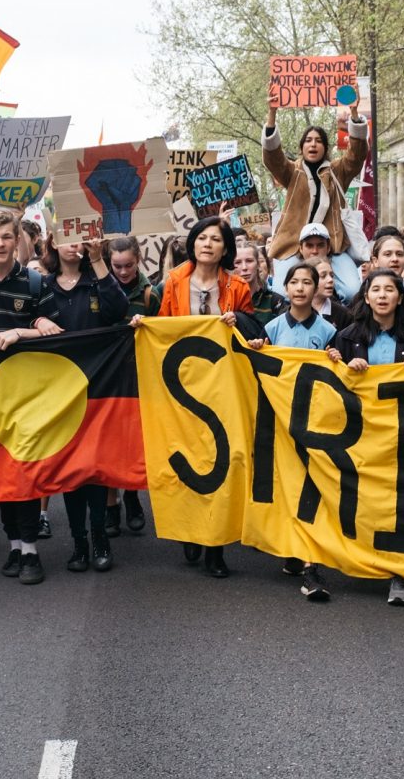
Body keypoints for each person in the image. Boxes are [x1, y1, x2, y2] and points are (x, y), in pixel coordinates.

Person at [143, 216, 254, 577]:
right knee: (185, 457)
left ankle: (215, 547)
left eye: (215, 239)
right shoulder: (174, 281)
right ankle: (190, 529)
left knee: (223, 462)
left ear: (226, 248)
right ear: (192, 243)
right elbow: (161, 328)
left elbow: (252, 332)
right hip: (182, 388)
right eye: (202, 238)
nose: (207, 244)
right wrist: (141, 326)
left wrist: (238, 319)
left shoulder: (238, 286)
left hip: (222, 388)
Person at [0, 211, 61, 584]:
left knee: (24, 469)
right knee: (1, 470)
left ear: (16, 238)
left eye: (8, 237)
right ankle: (14, 546)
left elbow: (56, 330)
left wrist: (23, 330)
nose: (1, 244)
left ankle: (31, 550)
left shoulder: (36, 282)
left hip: (29, 392)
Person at [328, 268, 404, 606]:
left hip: (402, 433)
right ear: (366, 297)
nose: (383, 296)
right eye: (376, 290)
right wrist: (340, 365)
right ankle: (362, 561)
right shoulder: (347, 336)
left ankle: (398, 574)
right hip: (361, 433)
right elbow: (330, 384)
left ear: (401, 297)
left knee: (398, 503)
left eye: (390, 289)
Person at [245, 261, 335, 602]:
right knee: (287, 485)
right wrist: (257, 349)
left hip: (314, 420)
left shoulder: (327, 330)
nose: (300, 288)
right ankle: (293, 547)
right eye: (294, 282)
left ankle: (312, 562)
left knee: (312, 486)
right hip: (281, 421)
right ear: (285, 287)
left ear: (316, 289)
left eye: (307, 282)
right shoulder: (272, 326)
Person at [40, 237, 128, 570]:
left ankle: (100, 538)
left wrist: (99, 260)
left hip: (98, 388)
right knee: (70, 470)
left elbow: (118, 309)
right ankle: (79, 544)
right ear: (53, 243)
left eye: (80, 240)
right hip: (59, 391)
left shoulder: (97, 280)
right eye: (66, 240)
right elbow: (30, 316)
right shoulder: (44, 285)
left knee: (95, 468)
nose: (73, 246)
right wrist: (38, 321)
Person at [262, 104, 368, 299]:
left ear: (325, 148)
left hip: (333, 247)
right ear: (302, 147)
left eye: (318, 141)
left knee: (353, 291)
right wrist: (272, 114)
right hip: (294, 246)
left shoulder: (338, 170)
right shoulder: (292, 171)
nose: (313, 144)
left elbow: (357, 155)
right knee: (281, 293)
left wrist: (353, 113)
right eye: (308, 141)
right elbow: (273, 159)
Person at [102, 236, 157, 535]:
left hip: (139, 380)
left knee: (135, 442)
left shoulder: (151, 295)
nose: (123, 272)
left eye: (129, 266)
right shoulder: (99, 287)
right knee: (109, 445)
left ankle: (133, 496)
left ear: (139, 260)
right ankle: (112, 505)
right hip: (108, 380)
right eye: (117, 266)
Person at [236, 243, 286, 325]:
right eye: (238, 262)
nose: (244, 267)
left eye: (249, 261)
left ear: (258, 264)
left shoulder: (275, 301)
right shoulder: (226, 299)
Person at [314, 258, 352, 332]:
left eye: (331, 275)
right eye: (323, 276)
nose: (330, 280)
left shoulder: (344, 315)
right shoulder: (298, 312)